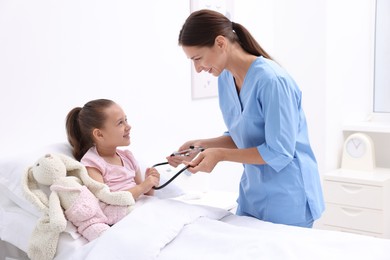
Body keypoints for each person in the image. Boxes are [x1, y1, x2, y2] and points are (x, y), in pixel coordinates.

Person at [168, 9, 325, 228]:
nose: (197, 68)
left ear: (221, 43)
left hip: (289, 197)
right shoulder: (225, 78)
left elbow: (279, 152)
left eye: (198, 58)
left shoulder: (272, 81)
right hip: (253, 194)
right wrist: (202, 145)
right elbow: (243, 135)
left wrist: (220, 155)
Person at [66, 98, 160, 199]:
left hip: (142, 208)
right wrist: (142, 187)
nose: (128, 126)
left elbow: (144, 195)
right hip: (125, 212)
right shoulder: (92, 164)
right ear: (99, 134)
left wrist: (150, 184)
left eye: (126, 120)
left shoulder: (128, 157)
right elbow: (105, 198)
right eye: (120, 123)